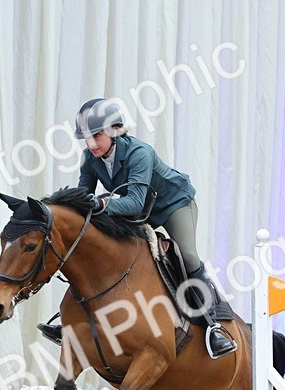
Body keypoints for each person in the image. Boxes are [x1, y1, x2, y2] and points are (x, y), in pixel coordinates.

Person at [37, 97, 237, 358]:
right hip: (138, 209)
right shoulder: (90, 158)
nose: (91, 144)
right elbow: (83, 198)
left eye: (96, 135)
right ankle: (74, 323)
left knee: (187, 256)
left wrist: (100, 203)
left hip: (173, 205)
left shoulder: (139, 153)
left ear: (115, 130)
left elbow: (134, 202)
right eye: (86, 138)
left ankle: (214, 326)